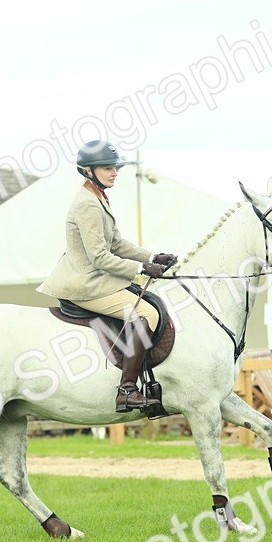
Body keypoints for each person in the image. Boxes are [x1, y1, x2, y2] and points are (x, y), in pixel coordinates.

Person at [38, 141, 178, 411]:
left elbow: (117, 244)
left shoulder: (98, 198)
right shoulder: (87, 204)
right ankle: (127, 390)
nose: (114, 172)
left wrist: (151, 257)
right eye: (107, 168)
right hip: (86, 284)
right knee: (146, 314)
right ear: (88, 171)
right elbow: (99, 257)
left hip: (97, 280)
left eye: (115, 168)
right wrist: (140, 269)